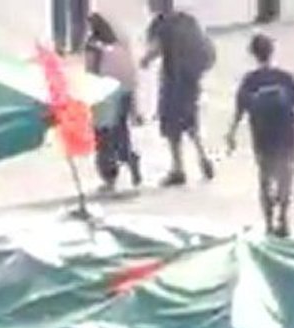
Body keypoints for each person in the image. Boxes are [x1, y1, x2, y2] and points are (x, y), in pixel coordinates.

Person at [226, 34, 294, 238]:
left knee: (265, 178)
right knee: (285, 175)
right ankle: (284, 217)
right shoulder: (284, 77)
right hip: (286, 134)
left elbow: (239, 109)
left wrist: (231, 133)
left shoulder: (250, 80)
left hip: (263, 136)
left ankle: (269, 223)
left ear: (254, 54)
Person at [141, 0, 216, 187]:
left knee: (172, 126)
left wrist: (144, 60)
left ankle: (178, 168)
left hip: (172, 81)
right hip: (190, 80)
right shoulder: (187, 20)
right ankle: (202, 157)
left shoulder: (159, 25)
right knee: (191, 121)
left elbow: (154, 50)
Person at [85, 13, 142, 193]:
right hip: (124, 93)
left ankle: (109, 178)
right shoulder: (119, 44)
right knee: (120, 133)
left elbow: (91, 72)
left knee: (103, 139)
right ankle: (130, 159)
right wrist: (135, 107)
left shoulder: (93, 46)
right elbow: (132, 74)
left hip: (105, 94)